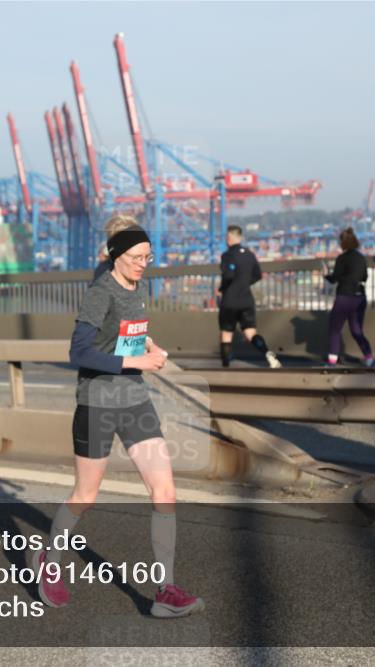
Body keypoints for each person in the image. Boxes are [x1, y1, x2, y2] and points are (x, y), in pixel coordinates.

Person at [34, 223, 205, 619]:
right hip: (96, 402)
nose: (143, 265)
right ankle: (50, 558)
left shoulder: (138, 286)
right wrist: (137, 361)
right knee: (86, 496)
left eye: (148, 257)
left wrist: (149, 345)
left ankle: (165, 591)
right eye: (136, 258)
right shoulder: (100, 293)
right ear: (117, 256)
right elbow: (79, 351)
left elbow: (130, 332)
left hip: (134, 399)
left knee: (164, 490)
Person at [217, 225, 281, 369]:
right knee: (251, 333)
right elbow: (257, 275)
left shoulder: (227, 256)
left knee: (227, 334)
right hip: (246, 299)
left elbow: (228, 275)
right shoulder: (249, 254)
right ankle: (268, 354)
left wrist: (221, 289)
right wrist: (245, 283)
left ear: (229, 238)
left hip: (230, 300)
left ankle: (225, 366)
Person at [324, 228, 375, 367]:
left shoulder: (342, 258)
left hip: (344, 297)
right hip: (359, 297)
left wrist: (326, 275)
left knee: (335, 329)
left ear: (343, 243)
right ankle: (369, 358)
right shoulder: (361, 257)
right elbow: (364, 276)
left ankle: (332, 361)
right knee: (357, 330)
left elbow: (334, 278)